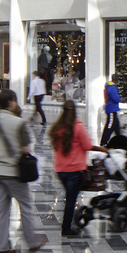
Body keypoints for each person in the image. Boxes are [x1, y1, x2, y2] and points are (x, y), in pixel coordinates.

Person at [0, 89, 47, 253]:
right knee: (25, 206)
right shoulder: (18, 123)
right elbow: (26, 148)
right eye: (15, 101)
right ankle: (32, 241)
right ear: (10, 102)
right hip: (14, 173)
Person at [49, 100, 95, 237]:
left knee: (69, 197)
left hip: (60, 170)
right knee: (70, 200)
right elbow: (87, 146)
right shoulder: (78, 127)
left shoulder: (57, 127)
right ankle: (66, 227)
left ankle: (68, 224)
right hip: (74, 170)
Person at [101, 74, 122, 144]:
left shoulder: (109, 86)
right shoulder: (112, 87)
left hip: (112, 108)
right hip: (112, 109)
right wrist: (120, 99)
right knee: (110, 125)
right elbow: (115, 98)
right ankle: (104, 141)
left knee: (116, 125)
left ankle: (120, 139)